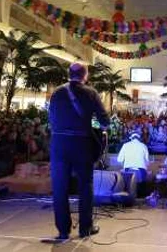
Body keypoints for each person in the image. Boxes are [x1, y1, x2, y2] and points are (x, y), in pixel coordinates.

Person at [46, 62, 110, 243]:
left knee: (59, 187)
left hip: (58, 143)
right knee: (85, 185)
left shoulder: (57, 93)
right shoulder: (91, 93)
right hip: (81, 143)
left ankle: (63, 231)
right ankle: (85, 228)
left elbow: (51, 118)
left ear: (69, 74)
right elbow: (104, 122)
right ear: (85, 75)